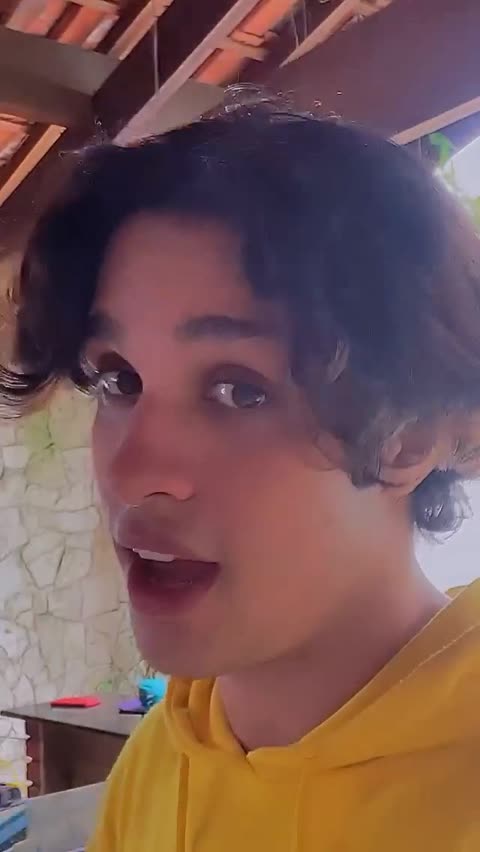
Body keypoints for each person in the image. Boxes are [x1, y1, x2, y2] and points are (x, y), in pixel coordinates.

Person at [2, 102, 480, 851]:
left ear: (410, 434)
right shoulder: (160, 758)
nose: (133, 472)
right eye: (119, 378)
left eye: (239, 390)